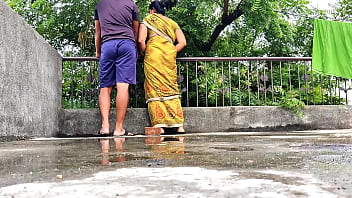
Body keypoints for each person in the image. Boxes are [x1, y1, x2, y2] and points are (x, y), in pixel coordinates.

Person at [138, 0, 187, 134]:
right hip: (169, 57)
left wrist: (144, 52)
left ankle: (159, 125)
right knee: (171, 88)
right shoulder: (172, 23)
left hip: (153, 56)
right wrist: (171, 51)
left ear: (152, 10)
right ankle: (178, 125)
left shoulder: (148, 19)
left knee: (154, 88)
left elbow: (141, 40)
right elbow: (182, 42)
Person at [94, 0, 139, 136]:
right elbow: (135, 29)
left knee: (105, 87)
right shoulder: (131, 4)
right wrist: (135, 47)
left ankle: (105, 127)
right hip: (126, 44)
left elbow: (98, 32)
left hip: (107, 45)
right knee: (123, 86)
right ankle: (119, 129)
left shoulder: (100, 5)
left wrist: (98, 52)